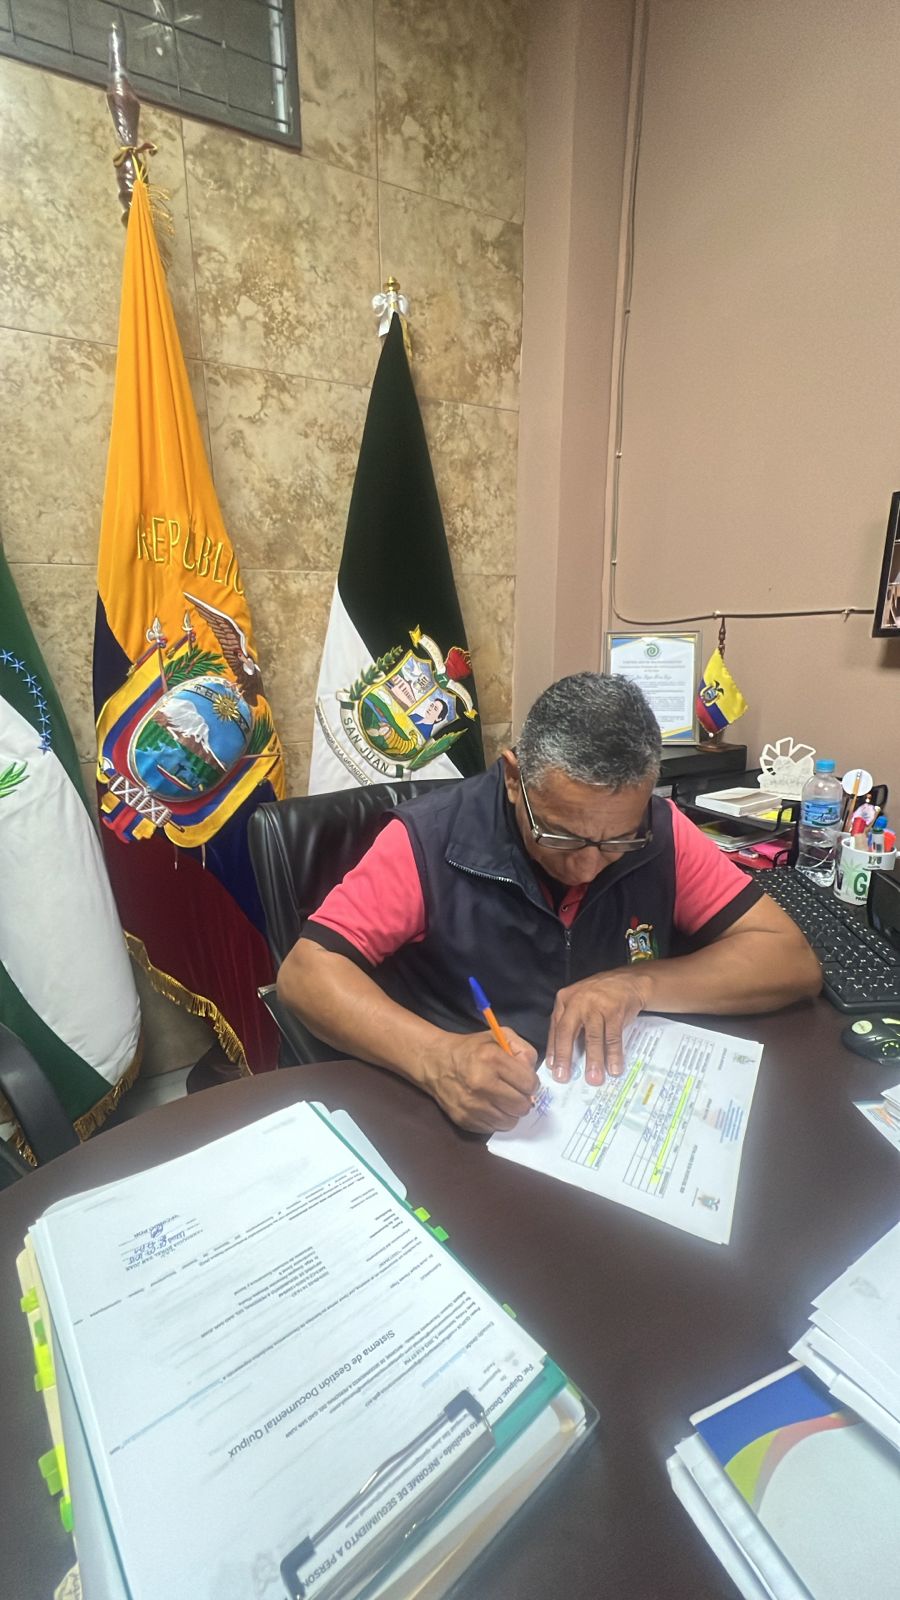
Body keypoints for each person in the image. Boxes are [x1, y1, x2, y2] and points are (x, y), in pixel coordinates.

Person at [277, 673, 821, 1133]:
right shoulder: (430, 839)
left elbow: (789, 960)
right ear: (515, 779)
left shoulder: (661, 831)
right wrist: (436, 1058)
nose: (587, 866)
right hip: (458, 1115)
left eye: (616, 841)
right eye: (561, 836)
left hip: (601, 1109)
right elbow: (305, 973)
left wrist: (637, 983)